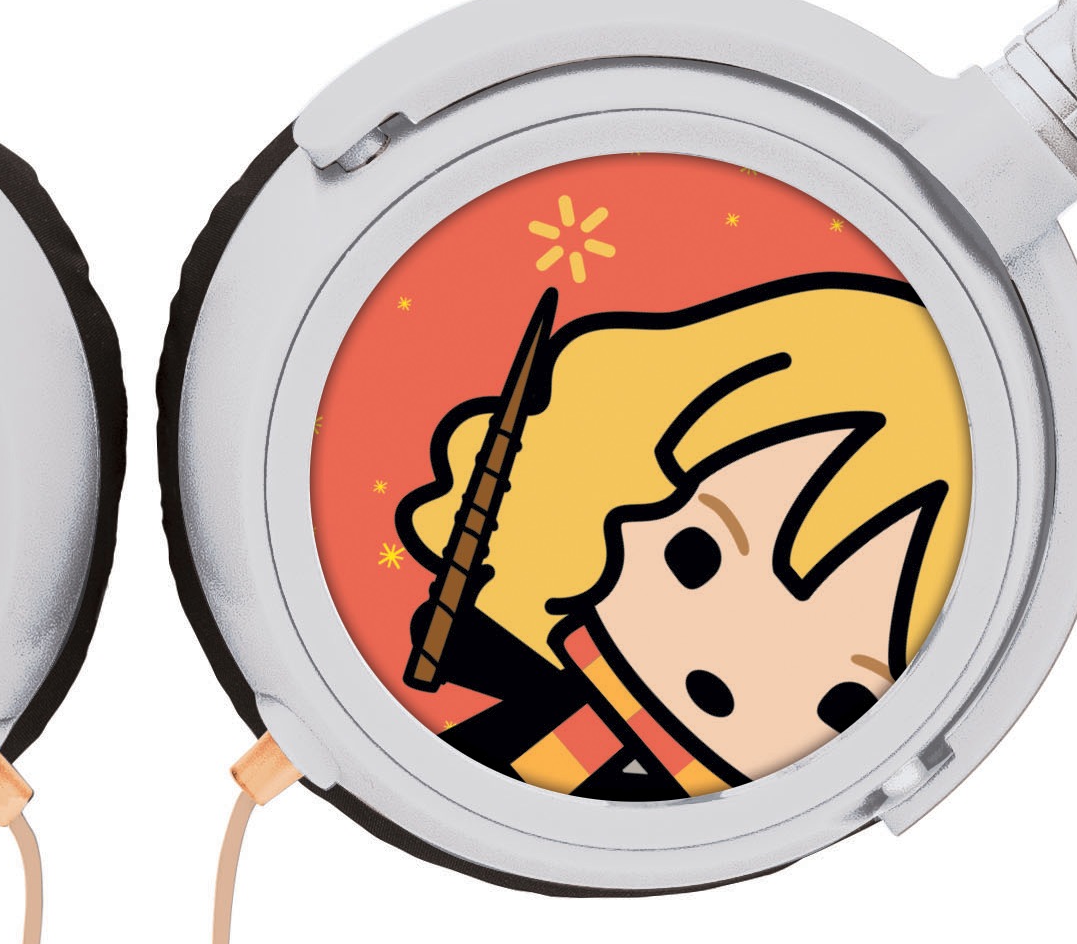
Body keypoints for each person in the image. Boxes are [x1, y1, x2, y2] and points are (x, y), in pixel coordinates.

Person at [399, 275, 968, 797]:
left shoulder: (697, 807)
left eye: (844, 701)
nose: (729, 659)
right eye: (696, 554)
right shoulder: (568, 692)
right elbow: (491, 672)